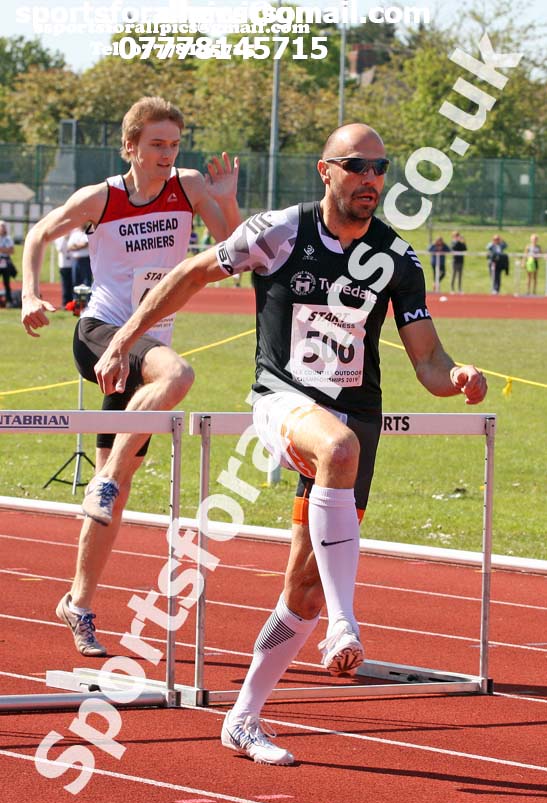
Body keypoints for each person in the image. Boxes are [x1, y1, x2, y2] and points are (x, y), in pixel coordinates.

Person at [92, 123, 488, 765]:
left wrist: (459, 378)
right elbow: (190, 274)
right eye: (358, 165)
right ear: (325, 170)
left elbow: (430, 361)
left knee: (300, 587)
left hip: (356, 418)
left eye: (382, 167)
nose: (372, 178)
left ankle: (244, 717)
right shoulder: (278, 232)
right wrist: (122, 338)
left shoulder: (397, 258)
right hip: (282, 401)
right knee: (335, 449)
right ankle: (345, 623)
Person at [21, 96, 241, 657]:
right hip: (101, 334)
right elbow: (37, 234)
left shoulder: (188, 187)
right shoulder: (102, 196)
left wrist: (228, 202)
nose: (167, 155)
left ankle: (78, 603)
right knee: (179, 373)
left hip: (146, 348)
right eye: (156, 145)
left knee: (110, 503)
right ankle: (110, 474)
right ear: (131, 147)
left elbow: (232, 254)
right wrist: (28, 294)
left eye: (173, 145)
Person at [54, 233, 74, 307]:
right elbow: (60, 248)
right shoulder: (59, 238)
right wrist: (65, 238)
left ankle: (73, 303)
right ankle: (65, 303)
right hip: (64, 265)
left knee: (73, 284)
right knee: (65, 285)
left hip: (73, 263)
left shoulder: (73, 235)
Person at [0, 220, 16, 307]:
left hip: (5, 261)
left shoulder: (8, 238)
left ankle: (8, 301)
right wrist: (5, 249)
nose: (2, 228)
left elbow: (12, 250)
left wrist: (2, 249)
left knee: (7, 282)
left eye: (3, 226)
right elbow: (8, 249)